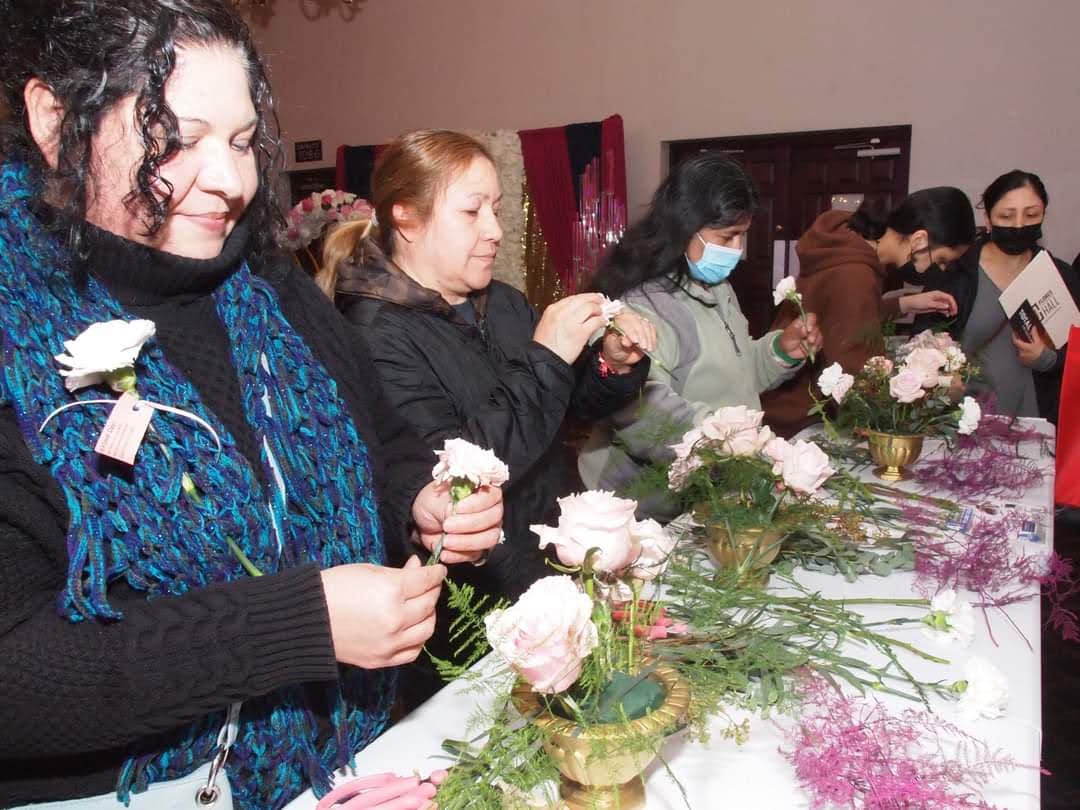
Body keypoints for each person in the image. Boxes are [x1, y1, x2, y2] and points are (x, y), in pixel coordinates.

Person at [0, 4, 503, 809]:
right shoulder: (12, 334)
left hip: (341, 765)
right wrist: (295, 625)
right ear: (57, 121)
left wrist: (421, 500)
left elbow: (381, 435)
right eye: (180, 137)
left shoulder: (268, 287)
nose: (232, 183)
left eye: (240, 143)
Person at [322, 129, 655, 601]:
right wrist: (547, 358)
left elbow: (567, 404)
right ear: (408, 220)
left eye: (495, 210)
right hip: (484, 592)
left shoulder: (501, 302)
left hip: (554, 555)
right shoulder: (372, 334)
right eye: (471, 211)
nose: (495, 230)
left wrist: (610, 364)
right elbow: (458, 481)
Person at [578, 152, 823, 517]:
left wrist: (781, 351)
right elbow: (644, 413)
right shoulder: (644, 305)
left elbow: (736, 378)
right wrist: (736, 442)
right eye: (727, 237)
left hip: (710, 483)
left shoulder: (716, 287)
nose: (737, 252)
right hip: (649, 505)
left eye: (742, 236)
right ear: (684, 227)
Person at [762, 188, 975, 436]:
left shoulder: (849, 247)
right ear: (919, 240)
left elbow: (840, 313)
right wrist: (936, 387)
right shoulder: (856, 273)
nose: (938, 269)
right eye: (940, 260)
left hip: (783, 404)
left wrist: (906, 304)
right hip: (800, 419)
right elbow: (859, 380)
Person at [913, 170, 1080, 422]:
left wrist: (1046, 359)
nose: (1019, 224)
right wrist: (944, 378)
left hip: (1038, 424)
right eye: (1006, 215)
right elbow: (920, 344)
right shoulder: (954, 272)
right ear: (988, 219)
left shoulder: (1059, 275)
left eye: (1032, 214)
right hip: (964, 423)